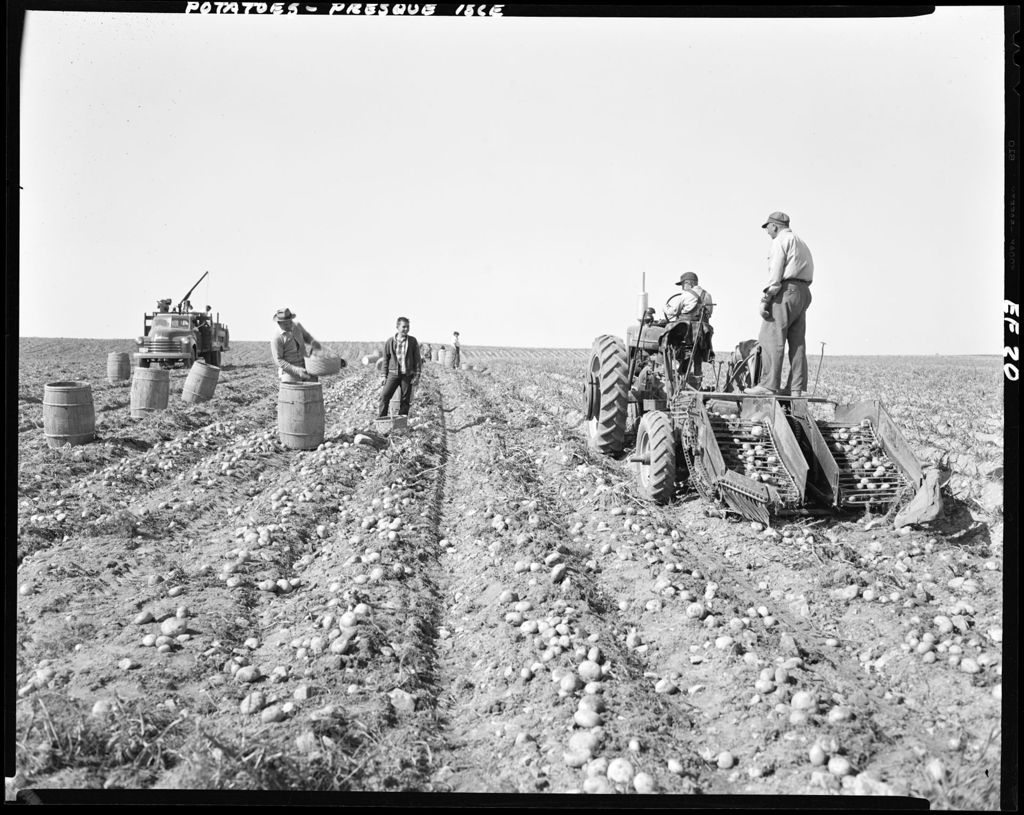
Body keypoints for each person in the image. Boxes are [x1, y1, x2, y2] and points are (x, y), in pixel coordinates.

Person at [746, 211, 814, 397]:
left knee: (770, 337)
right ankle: (796, 389)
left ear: (774, 226)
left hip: (786, 290)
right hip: (803, 292)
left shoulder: (779, 241)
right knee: (797, 342)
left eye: (767, 227)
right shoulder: (801, 242)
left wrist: (766, 299)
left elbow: (775, 275)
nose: (767, 231)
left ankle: (769, 385)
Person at [379, 316, 421, 417]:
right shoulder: (390, 342)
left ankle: (401, 424)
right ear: (397, 327)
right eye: (404, 327)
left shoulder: (412, 341)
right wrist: (383, 375)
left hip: (407, 375)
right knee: (384, 396)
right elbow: (386, 360)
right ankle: (382, 421)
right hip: (393, 374)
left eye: (407, 327)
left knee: (405, 400)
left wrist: (417, 375)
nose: (406, 329)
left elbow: (417, 359)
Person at [270, 307, 322, 383]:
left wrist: (313, 343)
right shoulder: (277, 338)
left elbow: (306, 336)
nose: (289, 325)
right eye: (285, 324)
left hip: (305, 366)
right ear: (279, 323)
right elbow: (279, 360)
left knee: (313, 386)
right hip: (289, 371)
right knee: (294, 390)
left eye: (290, 322)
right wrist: (296, 370)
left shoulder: (297, 326)